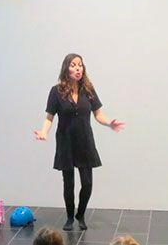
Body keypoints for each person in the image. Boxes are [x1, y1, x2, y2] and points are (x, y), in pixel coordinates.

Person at [34, 53, 125, 231]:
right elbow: (49, 117)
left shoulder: (88, 90)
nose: (78, 68)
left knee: (87, 183)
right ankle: (69, 217)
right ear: (66, 68)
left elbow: (98, 114)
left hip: (85, 141)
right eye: (74, 65)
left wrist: (109, 124)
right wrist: (43, 131)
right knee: (69, 183)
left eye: (80, 65)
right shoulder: (56, 91)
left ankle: (80, 214)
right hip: (66, 141)